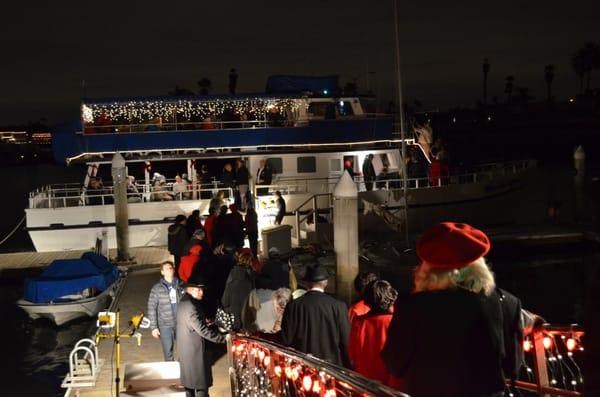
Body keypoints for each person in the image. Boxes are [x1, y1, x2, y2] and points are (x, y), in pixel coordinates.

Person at [382, 222, 507, 397]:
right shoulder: (490, 300)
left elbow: (395, 364)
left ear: (427, 268)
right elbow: (498, 355)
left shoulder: (413, 306)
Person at [280, 263, 351, 368]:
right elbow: (346, 341)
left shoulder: (293, 306)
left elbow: (286, 339)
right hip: (332, 368)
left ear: (307, 284)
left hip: (303, 366)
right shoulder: (339, 306)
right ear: (325, 283)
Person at [176, 275, 227, 397]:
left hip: (186, 350)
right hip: (195, 352)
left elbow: (193, 323)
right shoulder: (191, 306)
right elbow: (202, 330)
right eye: (199, 289)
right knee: (201, 386)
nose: (202, 292)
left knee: (189, 386)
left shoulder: (184, 301)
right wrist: (223, 338)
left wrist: (205, 321)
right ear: (191, 290)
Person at [348, 280, 400, 388]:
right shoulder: (396, 322)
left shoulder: (359, 322)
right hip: (389, 382)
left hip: (364, 381)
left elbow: (352, 353)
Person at [147, 261, 183, 361]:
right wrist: (154, 327)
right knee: (168, 352)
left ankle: (183, 371)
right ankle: (171, 372)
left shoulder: (181, 285)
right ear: (162, 272)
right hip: (165, 325)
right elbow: (151, 307)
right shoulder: (157, 289)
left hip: (181, 323)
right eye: (166, 268)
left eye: (171, 267)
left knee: (184, 351)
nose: (169, 269)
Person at [221, 250, 256, 331]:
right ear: (249, 262)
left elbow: (225, 302)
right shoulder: (251, 280)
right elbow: (253, 303)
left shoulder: (231, 277)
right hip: (247, 320)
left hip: (233, 320)